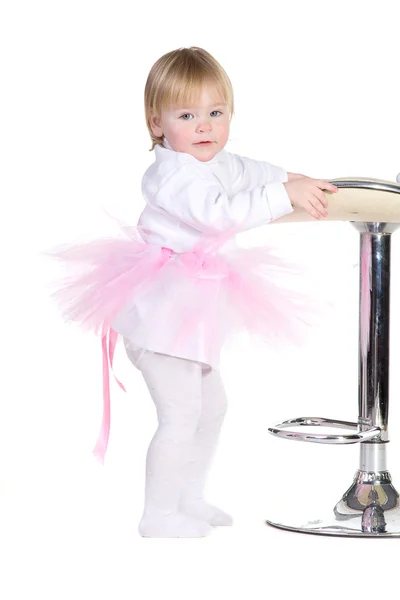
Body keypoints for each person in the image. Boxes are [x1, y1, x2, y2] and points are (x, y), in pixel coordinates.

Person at [45, 46, 338, 538]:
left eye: (216, 113)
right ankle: (157, 515)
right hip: (161, 310)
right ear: (156, 123)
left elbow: (251, 171)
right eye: (187, 115)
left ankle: (190, 496)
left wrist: (293, 179)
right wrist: (281, 197)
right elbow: (216, 214)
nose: (205, 127)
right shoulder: (171, 174)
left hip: (194, 306)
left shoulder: (214, 159)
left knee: (212, 407)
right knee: (180, 413)